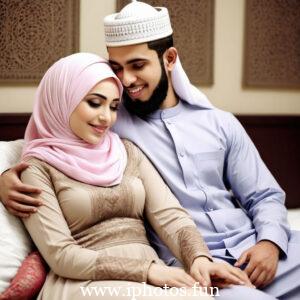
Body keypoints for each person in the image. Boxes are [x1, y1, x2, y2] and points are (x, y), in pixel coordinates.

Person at [1, 1, 300, 299]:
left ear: (169, 59)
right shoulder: (108, 128)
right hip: (186, 266)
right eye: (117, 68)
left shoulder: (219, 123)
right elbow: (51, 138)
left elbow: (264, 196)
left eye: (137, 65)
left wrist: (270, 243)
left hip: (254, 247)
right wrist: (3, 178)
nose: (126, 81)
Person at [6, 52, 252, 300]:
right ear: (62, 100)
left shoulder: (126, 151)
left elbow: (170, 215)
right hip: (86, 283)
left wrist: (199, 258)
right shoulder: (37, 168)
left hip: (153, 279)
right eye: (94, 103)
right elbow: (60, 255)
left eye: (114, 106)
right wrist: (148, 271)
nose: (107, 118)